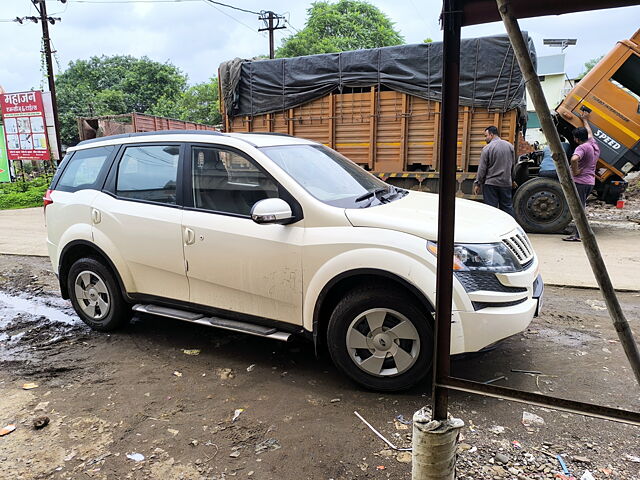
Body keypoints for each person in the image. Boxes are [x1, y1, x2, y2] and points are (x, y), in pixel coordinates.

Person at [563, 112, 599, 242]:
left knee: (579, 209)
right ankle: (579, 233)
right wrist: (585, 120)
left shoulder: (581, 148)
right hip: (590, 181)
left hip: (581, 182)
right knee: (581, 207)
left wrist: (576, 170)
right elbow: (589, 132)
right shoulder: (592, 144)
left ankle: (579, 235)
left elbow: (574, 159)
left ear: (576, 139)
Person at [473, 126, 515, 216]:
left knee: (491, 209)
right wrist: (512, 180)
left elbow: (482, 169)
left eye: (486, 136)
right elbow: (512, 165)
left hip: (491, 184)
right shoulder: (510, 146)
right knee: (507, 208)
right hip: (506, 183)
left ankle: (493, 228)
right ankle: (509, 227)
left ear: (491, 135)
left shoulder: (487, 148)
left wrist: (478, 183)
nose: (485, 138)